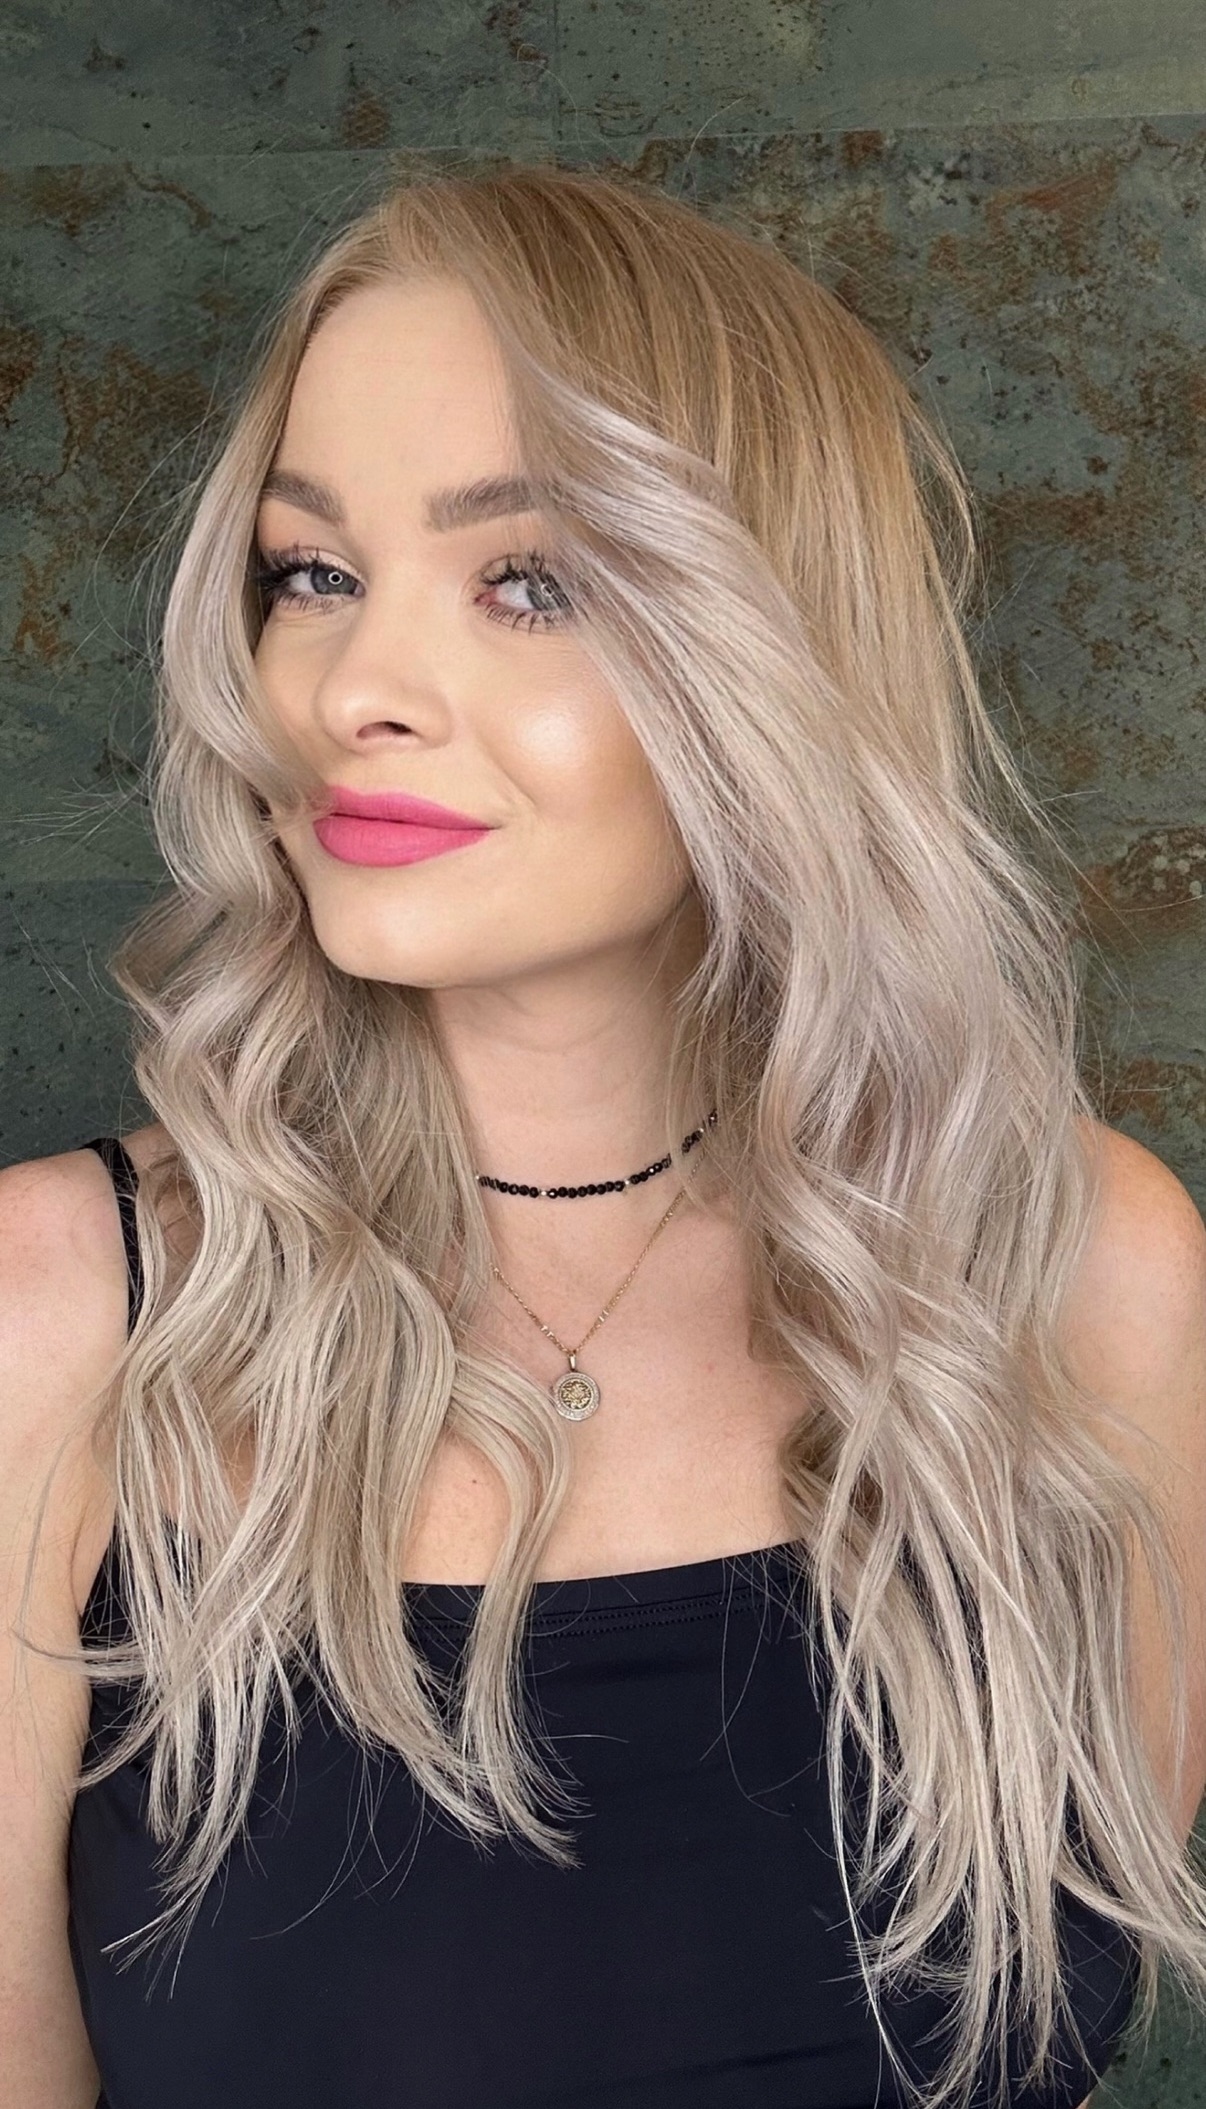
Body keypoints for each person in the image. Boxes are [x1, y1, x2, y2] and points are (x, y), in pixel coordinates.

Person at [3, 163, 1206, 2109]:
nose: (351, 692)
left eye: (528, 581)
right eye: (312, 573)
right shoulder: (58, 1319)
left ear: (771, 652)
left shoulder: (1079, 1278)